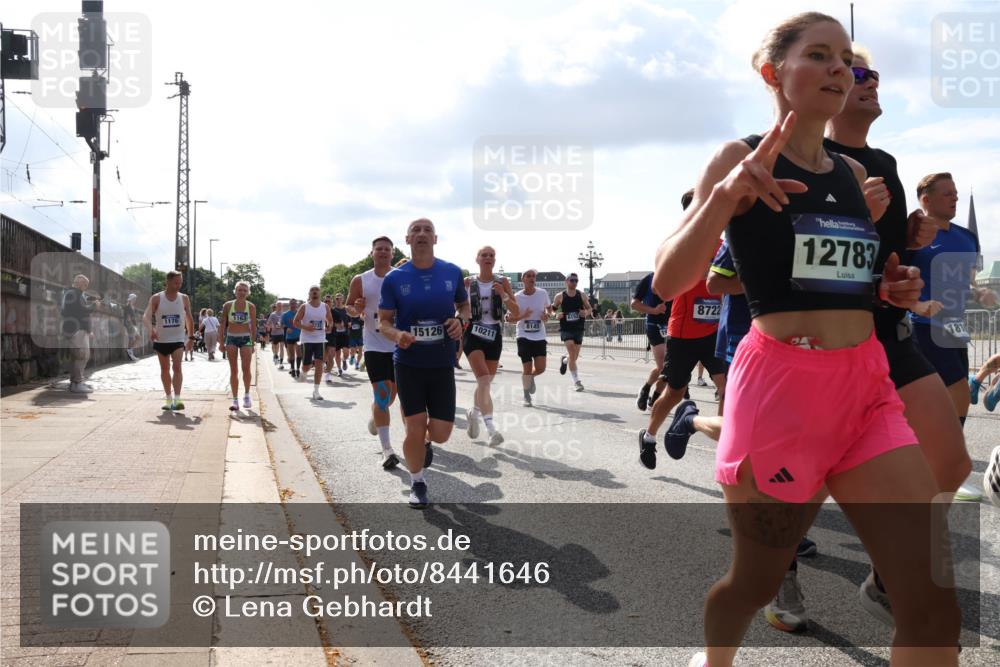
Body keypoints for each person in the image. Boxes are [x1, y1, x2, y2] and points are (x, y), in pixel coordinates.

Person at [649, 14, 957, 667]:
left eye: (845, 58)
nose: (840, 69)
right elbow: (670, 276)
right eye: (819, 55)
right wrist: (726, 199)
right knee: (753, 584)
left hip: (865, 388)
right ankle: (712, 659)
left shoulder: (850, 175)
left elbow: (844, 279)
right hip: (782, 392)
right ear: (772, 73)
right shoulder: (740, 156)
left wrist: (888, 286)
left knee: (930, 604)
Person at [378, 218, 470, 509]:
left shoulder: (451, 272)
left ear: (435, 239)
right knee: (414, 428)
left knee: (440, 434)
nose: (421, 234)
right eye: (415, 230)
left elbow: (464, 307)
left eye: (427, 230)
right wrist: (398, 334)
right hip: (409, 364)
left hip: (442, 362)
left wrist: (460, 321)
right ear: (407, 240)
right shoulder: (394, 278)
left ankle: (425, 443)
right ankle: (418, 482)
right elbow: (383, 322)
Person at [640, 191, 727, 469]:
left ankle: (723, 451)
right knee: (675, 392)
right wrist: (707, 272)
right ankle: (649, 436)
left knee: (726, 388)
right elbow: (663, 284)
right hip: (683, 332)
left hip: (715, 331)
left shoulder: (725, 245)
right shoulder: (679, 243)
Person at [909, 173, 997, 431]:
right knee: (957, 388)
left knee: (951, 393)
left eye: (955, 193)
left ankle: (942, 443)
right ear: (926, 199)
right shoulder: (912, 234)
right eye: (947, 193)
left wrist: (980, 293)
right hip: (925, 326)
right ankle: (947, 444)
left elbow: (969, 281)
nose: (955, 198)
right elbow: (894, 275)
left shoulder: (967, 238)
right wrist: (916, 304)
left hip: (956, 328)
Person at [347, 235, 402, 470]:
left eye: (387, 249)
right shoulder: (361, 279)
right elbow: (349, 308)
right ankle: (387, 449)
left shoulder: (401, 277)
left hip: (399, 345)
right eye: (378, 249)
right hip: (374, 345)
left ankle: (376, 416)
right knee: (381, 395)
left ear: (392, 253)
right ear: (372, 253)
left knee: (391, 397)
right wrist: (355, 308)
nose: (382, 252)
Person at [463, 246, 519, 446]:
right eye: (484, 255)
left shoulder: (502, 282)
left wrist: (503, 294)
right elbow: (457, 308)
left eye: (491, 255)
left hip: (494, 334)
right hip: (473, 332)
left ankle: (474, 413)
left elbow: (515, 310)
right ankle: (491, 429)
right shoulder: (468, 282)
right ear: (477, 259)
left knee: (484, 384)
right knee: (485, 380)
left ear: (495, 260)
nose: (488, 258)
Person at [143, 270, 194, 410]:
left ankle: (177, 400)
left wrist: (190, 337)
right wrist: (150, 329)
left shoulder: (184, 298)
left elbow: (189, 318)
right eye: (176, 282)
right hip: (161, 340)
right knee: (164, 369)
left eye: (181, 282)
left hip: (178, 339)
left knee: (177, 367)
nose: (179, 285)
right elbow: (146, 316)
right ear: (168, 281)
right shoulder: (156, 298)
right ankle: (168, 399)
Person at [510, 269, 551, 407]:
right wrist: (523, 316)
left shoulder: (542, 293)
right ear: (523, 279)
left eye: (534, 276)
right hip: (523, 335)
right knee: (527, 369)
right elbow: (509, 319)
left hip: (539, 335)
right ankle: (526, 395)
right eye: (529, 276)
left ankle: (531, 378)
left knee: (541, 368)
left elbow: (548, 309)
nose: (532, 278)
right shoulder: (516, 297)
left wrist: (547, 315)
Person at [632, 272, 672, 411]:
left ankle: (654, 398)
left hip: (673, 326)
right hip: (654, 325)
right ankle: (645, 389)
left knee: (669, 369)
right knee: (664, 367)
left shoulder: (679, 277)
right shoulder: (648, 279)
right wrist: (653, 310)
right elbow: (634, 304)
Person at [220, 281, 257, 411]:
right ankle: (235, 400)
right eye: (239, 290)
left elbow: (254, 326)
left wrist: (253, 343)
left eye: (244, 290)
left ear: (248, 293)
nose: (241, 292)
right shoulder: (228, 305)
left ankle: (247, 395)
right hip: (231, 338)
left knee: (246, 368)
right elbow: (223, 324)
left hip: (246, 338)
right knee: (234, 369)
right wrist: (221, 342)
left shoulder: (251, 306)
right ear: (235, 291)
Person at [61, 273, 101, 393]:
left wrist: (88, 330)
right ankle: (77, 383)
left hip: (74, 329)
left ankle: (76, 382)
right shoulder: (74, 293)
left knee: (78, 356)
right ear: (82, 284)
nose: (85, 287)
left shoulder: (70, 293)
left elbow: (78, 311)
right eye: (85, 285)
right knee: (81, 356)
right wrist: (94, 305)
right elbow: (81, 311)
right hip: (77, 330)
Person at [552, 273, 591, 391]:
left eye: (576, 281)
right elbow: (551, 310)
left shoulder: (582, 295)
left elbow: (589, 308)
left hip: (578, 328)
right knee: (572, 352)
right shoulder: (560, 296)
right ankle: (577, 381)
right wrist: (556, 315)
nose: (574, 283)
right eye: (572, 280)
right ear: (566, 281)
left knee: (574, 356)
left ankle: (564, 360)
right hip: (566, 328)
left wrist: (586, 313)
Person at [294, 285, 333, 402]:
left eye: (316, 290)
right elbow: (295, 322)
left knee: (319, 363)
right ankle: (304, 372)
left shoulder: (325, 306)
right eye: (312, 290)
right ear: (309, 294)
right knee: (307, 365)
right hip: (307, 339)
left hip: (320, 338)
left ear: (320, 293)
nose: (315, 292)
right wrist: (305, 326)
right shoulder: (304, 307)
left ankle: (316, 391)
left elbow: (330, 320)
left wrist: (329, 326)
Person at [330, 294, 351, 376]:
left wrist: (349, 324)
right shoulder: (333, 310)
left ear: (343, 299)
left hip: (345, 334)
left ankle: (344, 360)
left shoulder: (346, 310)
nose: (338, 300)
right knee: (337, 353)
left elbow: (350, 320)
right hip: (336, 335)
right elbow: (329, 321)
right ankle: (339, 369)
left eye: (339, 298)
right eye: (336, 298)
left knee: (346, 352)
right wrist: (336, 325)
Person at [281, 298, 301, 378]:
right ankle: (292, 368)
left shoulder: (300, 314)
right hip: (289, 337)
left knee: (299, 353)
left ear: (297, 305)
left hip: (299, 336)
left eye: (294, 303)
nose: (293, 305)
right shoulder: (285, 315)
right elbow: (281, 325)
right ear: (289, 305)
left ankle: (298, 369)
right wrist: (286, 327)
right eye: (291, 303)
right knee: (292, 354)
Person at [266, 302, 285, 368]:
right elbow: (268, 323)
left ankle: (281, 363)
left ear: (282, 306)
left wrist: (283, 326)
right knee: (274, 346)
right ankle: (275, 355)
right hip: (274, 333)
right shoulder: (272, 314)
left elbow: (286, 323)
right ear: (276, 306)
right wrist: (271, 327)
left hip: (282, 333)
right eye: (278, 305)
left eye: (281, 306)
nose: (280, 307)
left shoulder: (284, 314)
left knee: (282, 347)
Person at [123, 293, 141, 361]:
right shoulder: (127, 306)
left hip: (133, 324)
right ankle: (130, 352)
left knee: (137, 337)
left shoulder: (132, 307)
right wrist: (130, 324)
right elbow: (127, 317)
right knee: (132, 338)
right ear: (131, 299)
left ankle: (130, 350)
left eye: (135, 299)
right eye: (134, 299)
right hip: (129, 324)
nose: (135, 300)